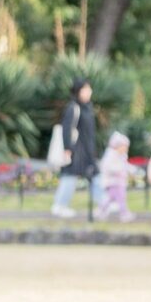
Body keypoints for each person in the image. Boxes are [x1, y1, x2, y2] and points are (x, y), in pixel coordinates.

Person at [51, 82, 100, 218]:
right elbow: (67, 129)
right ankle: (59, 205)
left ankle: (103, 203)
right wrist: (67, 149)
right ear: (78, 91)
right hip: (75, 150)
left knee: (94, 175)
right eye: (85, 89)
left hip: (86, 150)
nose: (89, 92)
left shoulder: (87, 108)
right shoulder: (74, 107)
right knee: (70, 176)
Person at [95, 132, 134, 222]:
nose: (125, 149)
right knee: (121, 197)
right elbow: (107, 167)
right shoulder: (110, 155)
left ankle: (101, 210)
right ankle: (124, 213)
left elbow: (125, 165)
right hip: (112, 181)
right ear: (117, 146)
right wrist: (119, 170)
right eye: (124, 146)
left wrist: (132, 170)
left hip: (119, 181)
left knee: (109, 198)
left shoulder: (122, 156)